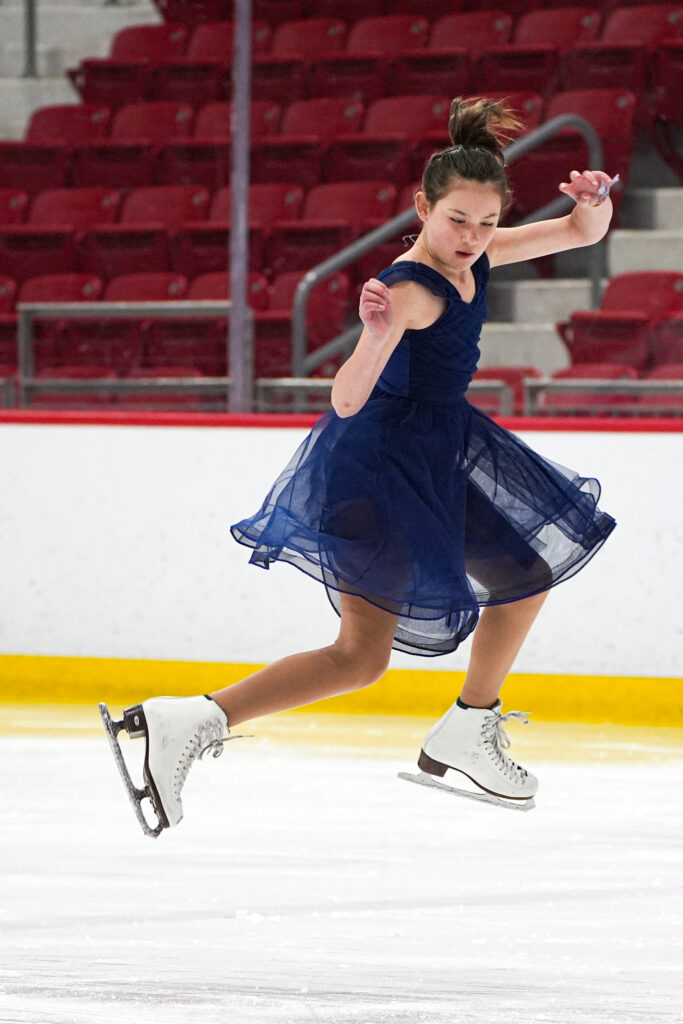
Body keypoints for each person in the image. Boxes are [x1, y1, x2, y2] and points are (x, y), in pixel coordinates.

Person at [101, 96, 617, 832]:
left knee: (523, 573)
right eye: (455, 221)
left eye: (485, 221)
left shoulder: (479, 253)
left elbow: (574, 230)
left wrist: (592, 202)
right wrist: (374, 335)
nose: (470, 236)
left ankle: (469, 723)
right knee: (359, 657)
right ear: (422, 208)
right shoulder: (409, 288)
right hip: (376, 468)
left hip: (438, 451)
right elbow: (344, 400)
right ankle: (189, 721)